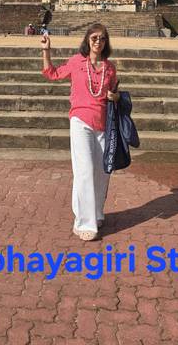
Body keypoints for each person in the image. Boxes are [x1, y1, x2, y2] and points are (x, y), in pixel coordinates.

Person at [41, 23, 119, 241]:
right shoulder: (76, 62)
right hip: (80, 120)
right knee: (84, 171)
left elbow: (115, 92)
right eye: (94, 38)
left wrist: (116, 97)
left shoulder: (110, 68)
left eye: (102, 38)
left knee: (102, 172)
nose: (98, 42)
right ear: (87, 40)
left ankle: (95, 212)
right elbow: (52, 73)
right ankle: (84, 222)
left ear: (106, 42)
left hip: (103, 123)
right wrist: (46, 51)